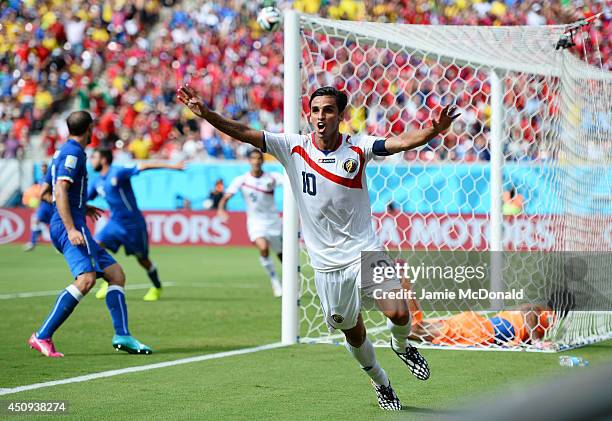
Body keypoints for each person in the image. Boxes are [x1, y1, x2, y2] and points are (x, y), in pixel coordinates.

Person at [178, 84, 459, 410]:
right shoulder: (292, 147)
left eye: (328, 110)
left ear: (340, 115)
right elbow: (243, 131)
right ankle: (381, 381)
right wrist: (208, 114)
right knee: (353, 333)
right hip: (328, 265)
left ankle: (401, 345)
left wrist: (433, 131)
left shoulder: (358, 147)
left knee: (397, 311)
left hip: (365, 248)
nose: (320, 116)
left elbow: (399, 142)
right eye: (315, 110)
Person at [29, 111, 152, 357]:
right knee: (86, 280)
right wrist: (72, 226)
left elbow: (44, 191)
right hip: (69, 225)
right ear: (90, 129)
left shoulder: (61, 153)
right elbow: (60, 190)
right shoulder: (73, 153)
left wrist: (81, 207)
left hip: (73, 220)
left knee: (116, 274)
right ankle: (42, 335)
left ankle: (123, 335)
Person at [88, 149, 184, 302]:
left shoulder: (118, 173)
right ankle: (109, 279)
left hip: (134, 225)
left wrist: (172, 166)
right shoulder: (97, 182)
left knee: (143, 259)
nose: (91, 160)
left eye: (94, 157)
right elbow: (83, 198)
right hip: (115, 223)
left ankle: (157, 286)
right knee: (94, 246)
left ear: (104, 159)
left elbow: (144, 166)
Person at [218, 149, 283, 297]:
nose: (256, 161)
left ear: (263, 161)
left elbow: (289, 184)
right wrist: (221, 209)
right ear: (249, 161)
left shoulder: (272, 178)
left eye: (259, 158)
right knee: (263, 248)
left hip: (273, 221)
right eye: (253, 158)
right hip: (255, 222)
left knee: (282, 255)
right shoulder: (242, 180)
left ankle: (292, 281)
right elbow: (226, 197)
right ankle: (275, 281)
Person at [23, 162, 53, 251]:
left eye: (44, 167)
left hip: (51, 205)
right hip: (43, 205)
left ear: (47, 168)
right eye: (42, 167)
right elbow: (37, 192)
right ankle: (32, 242)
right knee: (36, 221)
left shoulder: (50, 178)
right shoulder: (39, 179)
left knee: (54, 225)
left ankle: (58, 244)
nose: (43, 168)